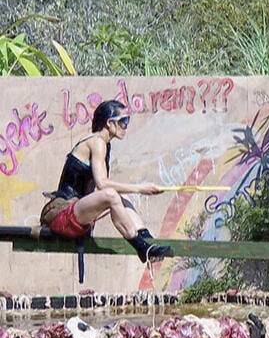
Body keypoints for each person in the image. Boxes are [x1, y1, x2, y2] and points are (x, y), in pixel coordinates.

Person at [40, 100, 172, 263]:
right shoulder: (97, 142)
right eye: (123, 121)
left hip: (76, 212)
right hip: (61, 215)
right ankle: (141, 247)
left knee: (123, 198)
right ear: (109, 123)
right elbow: (102, 184)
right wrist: (140, 188)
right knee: (111, 195)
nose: (126, 126)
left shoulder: (104, 145)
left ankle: (147, 239)